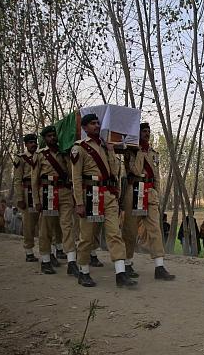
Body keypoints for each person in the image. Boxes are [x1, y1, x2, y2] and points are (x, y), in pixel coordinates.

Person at [71, 113, 136, 288]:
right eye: (92, 124)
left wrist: (110, 150)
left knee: (114, 233)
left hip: (108, 194)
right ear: (84, 128)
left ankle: (120, 273)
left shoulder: (104, 145)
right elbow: (76, 178)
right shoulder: (80, 148)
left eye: (97, 123)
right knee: (87, 236)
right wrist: (79, 202)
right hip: (90, 194)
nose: (96, 126)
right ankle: (83, 271)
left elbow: (114, 171)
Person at [121, 122, 174, 281]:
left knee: (155, 229)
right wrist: (139, 152)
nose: (147, 133)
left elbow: (156, 175)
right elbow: (136, 170)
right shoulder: (130, 152)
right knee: (130, 230)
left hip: (150, 192)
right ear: (137, 134)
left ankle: (159, 266)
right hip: (135, 190)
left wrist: (157, 192)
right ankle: (128, 263)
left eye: (148, 131)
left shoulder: (154, 153)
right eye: (144, 131)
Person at [31, 125, 78, 276]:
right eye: (49, 136)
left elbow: (72, 173)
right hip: (48, 192)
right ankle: (45, 260)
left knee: (67, 226)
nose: (52, 138)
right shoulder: (39, 155)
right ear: (44, 139)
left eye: (54, 135)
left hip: (64, 192)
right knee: (46, 228)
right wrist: (36, 200)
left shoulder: (64, 153)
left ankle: (72, 262)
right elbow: (34, 180)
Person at [13, 134, 40, 262]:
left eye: (34, 142)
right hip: (27, 192)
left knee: (44, 223)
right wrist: (20, 198)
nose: (33, 144)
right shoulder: (21, 158)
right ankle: (29, 251)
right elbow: (17, 180)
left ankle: (50, 250)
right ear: (26, 144)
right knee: (28, 225)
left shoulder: (41, 156)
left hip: (40, 192)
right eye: (30, 142)